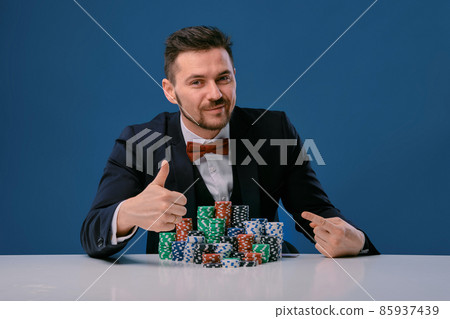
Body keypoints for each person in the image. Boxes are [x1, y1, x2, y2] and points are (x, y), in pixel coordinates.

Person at [80, 25, 379, 259]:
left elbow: (317, 214)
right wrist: (129, 212)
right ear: (170, 91)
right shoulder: (139, 141)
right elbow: (92, 232)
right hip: (172, 291)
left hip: (265, 285)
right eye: (197, 82)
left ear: (235, 76)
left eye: (223, 78)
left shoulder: (275, 130)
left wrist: (359, 242)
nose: (215, 94)